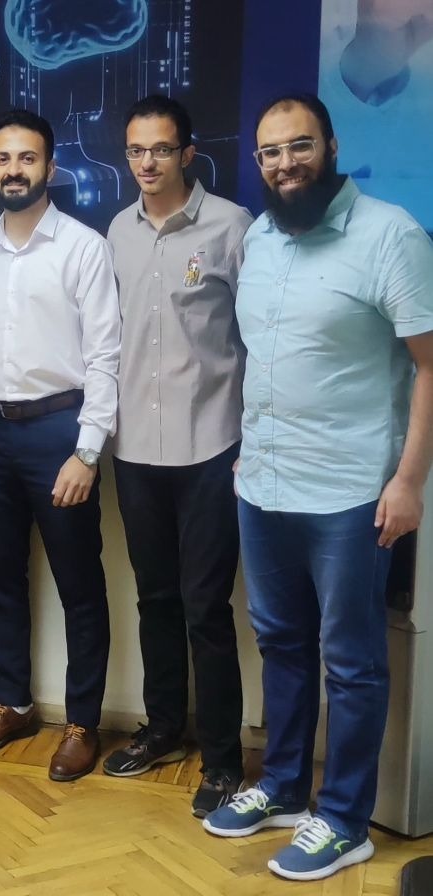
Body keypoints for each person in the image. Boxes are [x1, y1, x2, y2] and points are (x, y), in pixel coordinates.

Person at [201, 94, 433, 882]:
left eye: (299, 146)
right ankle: (284, 787)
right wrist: (249, 452)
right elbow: (264, 357)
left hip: (350, 493)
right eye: (270, 152)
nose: (285, 164)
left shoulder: (390, 234)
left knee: (352, 660)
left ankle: (343, 821)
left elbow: (429, 365)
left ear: (331, 146)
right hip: (264, 485)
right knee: (281, 644)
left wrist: (409, 480)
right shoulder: (260, 238)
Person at [0, 109, 120, 783]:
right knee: (0, 579)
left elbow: (106, 357)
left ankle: (82, 723)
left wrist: (88, 451)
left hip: (59, 434)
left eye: (27, 158)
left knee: (79, 585)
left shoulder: (83, 248)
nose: (14, 170)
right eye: (3, 159)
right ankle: (12, 704)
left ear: (49, 167)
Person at [101, 96, 252, 816]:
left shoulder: (231, 226)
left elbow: (259, 336)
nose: (148, 162)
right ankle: (164, 729)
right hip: (136, 449)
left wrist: (253, 438)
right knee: (154, 598)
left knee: (205, 608)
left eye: (161, 149)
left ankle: (222, 762)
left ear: (188, 154)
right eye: (136, 150)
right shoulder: (116, 231)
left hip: (211, 447)